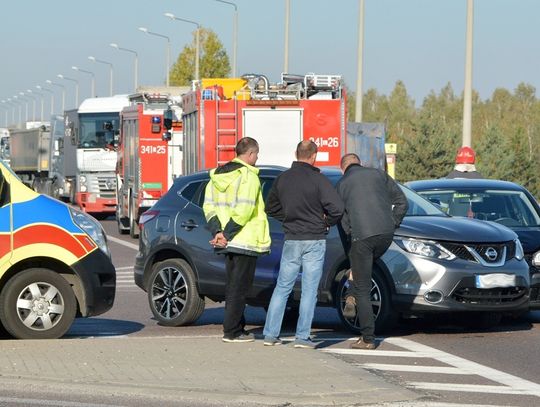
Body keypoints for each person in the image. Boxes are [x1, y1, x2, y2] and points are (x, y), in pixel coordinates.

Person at [263, 140, 344, 349]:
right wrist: (325, 223)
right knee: (309, 289)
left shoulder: (283, 179)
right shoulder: (319, 179)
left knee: (283, 286)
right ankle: (302, 337)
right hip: (314, 238)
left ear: (296, 153)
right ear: (314, 156)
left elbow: (270, 207)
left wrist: (287, 218)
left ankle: (271, 334)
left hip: (292, 237)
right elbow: (337, 208)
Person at [336, 153, 408, 350]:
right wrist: (393, 223)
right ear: (360, 163)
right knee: (361, 272)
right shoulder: (379, 174)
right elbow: (402, 202)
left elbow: (343, 222)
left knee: (362, 286)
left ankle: (367, 338)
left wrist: (350, 249)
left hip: (362, 238)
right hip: (385, 235)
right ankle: (351, 289)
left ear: (342, 168)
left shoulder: (342, 184)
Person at [203, 137, 271, 343]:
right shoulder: (248, 176)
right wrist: (228, 234)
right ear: (250, 154)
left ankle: (236, 326)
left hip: (227, 240)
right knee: (239, 288)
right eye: (256, 154)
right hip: (244, 239)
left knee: (232, 286)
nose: (257, 158)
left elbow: (208, 207)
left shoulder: (216, 177)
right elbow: (245, 209)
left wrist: (218, 232)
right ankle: (232, 331)